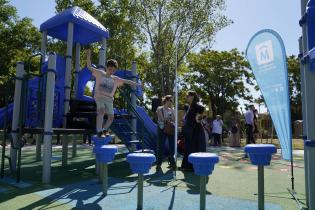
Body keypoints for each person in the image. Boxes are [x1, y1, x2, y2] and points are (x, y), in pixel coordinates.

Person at [86, 49, 139, 137]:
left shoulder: (115, 79)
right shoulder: (100, 73)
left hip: (109, 100)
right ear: (107, 67)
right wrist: (88, 56)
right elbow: (89, 67)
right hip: (99, 97)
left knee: (111, 117)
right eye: (110, 69)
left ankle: (104, 129)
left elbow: (126, 81)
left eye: (113, 70)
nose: (111, 71)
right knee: (101, 111)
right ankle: (99, 131)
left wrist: (138, 84)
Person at [180, 91, 205, 171]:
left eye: (188, 96)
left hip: (195, 131)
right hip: (189, 131)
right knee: (189, 148)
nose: (186, 97)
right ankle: (188, 166)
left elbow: (198, 119)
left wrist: (198, 118)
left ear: (192, 97)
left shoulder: (197, 107)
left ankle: (192, 166)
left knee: (193, 148)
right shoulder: (189, 107)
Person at [156, 95, 176, 171]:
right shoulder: (159, 108)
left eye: (172, 101)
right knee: (160, 146)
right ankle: (158, 164)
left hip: (170, 128)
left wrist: (172, 111)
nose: (171, 102)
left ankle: (171, 161)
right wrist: (168, 118)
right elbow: (162, 119)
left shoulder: (172, 109)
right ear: (166, 100)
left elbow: (174, 120)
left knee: (172, 146)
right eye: (170, 100)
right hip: (161, 129)